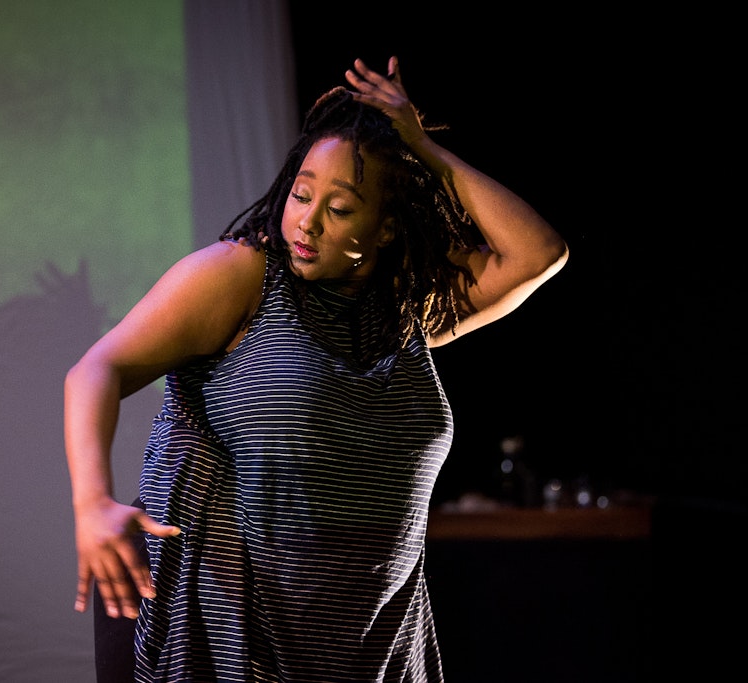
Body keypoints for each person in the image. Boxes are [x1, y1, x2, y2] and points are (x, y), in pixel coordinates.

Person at [64, 55, 568, 682]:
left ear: (385, 229)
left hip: (366, 641)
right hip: (229, 630)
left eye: (341, 207)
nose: (307, 220)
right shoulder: (241, 277)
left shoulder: (409, 310)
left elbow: (537, 253)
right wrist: (91, 502)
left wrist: (422, 148)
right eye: (302, 194)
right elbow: (98, 369)